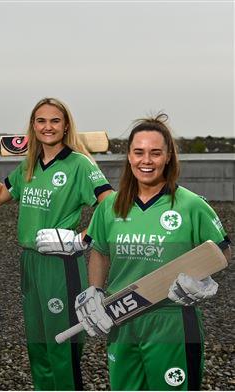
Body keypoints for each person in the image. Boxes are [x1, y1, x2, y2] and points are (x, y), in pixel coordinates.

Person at [74, 114, 231, 390]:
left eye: (155, 153)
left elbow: (221, 253)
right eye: (139, 152)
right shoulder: (110, 206)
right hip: (122, 316)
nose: (146, 160)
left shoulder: (191, 205)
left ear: (168, 156)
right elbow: (99, 251)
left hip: (172, 319)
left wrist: (203, 280)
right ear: (129, 156)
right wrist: (95, 290)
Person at [0, 97, 112, 390]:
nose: (48, 127)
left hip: (61, 264)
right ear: (33, 126)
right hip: (30, 262)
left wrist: (83, 238)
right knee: (38, 347)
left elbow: (111, 203)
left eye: (55, 120)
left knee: (62, 346)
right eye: (41, 121)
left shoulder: (79, 164)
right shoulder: (29, 164)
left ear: (66, 125)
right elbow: (0, 196)